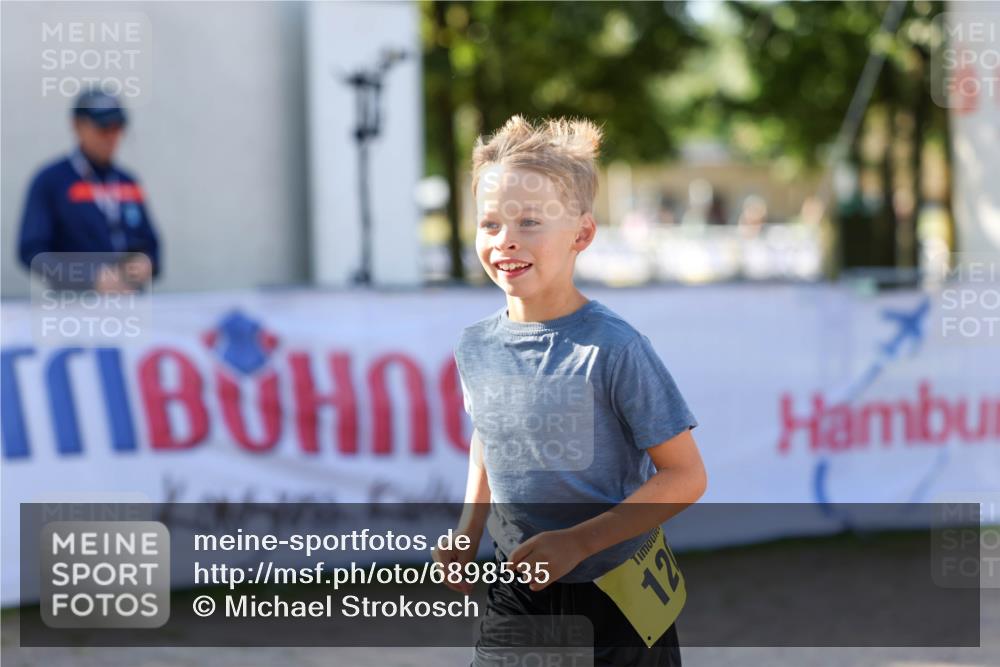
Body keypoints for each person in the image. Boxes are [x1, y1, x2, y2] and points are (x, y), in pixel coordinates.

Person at [433, 116, 707, 666]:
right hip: (518, 592)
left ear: (581, 234)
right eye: (490, 224)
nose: (505, 239)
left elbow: (686, 476)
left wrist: (579, 542)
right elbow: (490, 437)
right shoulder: (475, 346)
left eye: (529, 221)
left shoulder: (616, 349)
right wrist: (469, 528)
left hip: (619, 598)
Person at [17, 89, 160, 292]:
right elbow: (33, 252)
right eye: (103, 128)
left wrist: (146, 264)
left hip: (129, 304)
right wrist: (89, 278)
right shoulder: (51, 181)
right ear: (78, 126)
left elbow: (151, 245)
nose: (111, 136)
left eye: (117, 127)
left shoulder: (127, 181)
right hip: (73, 309)